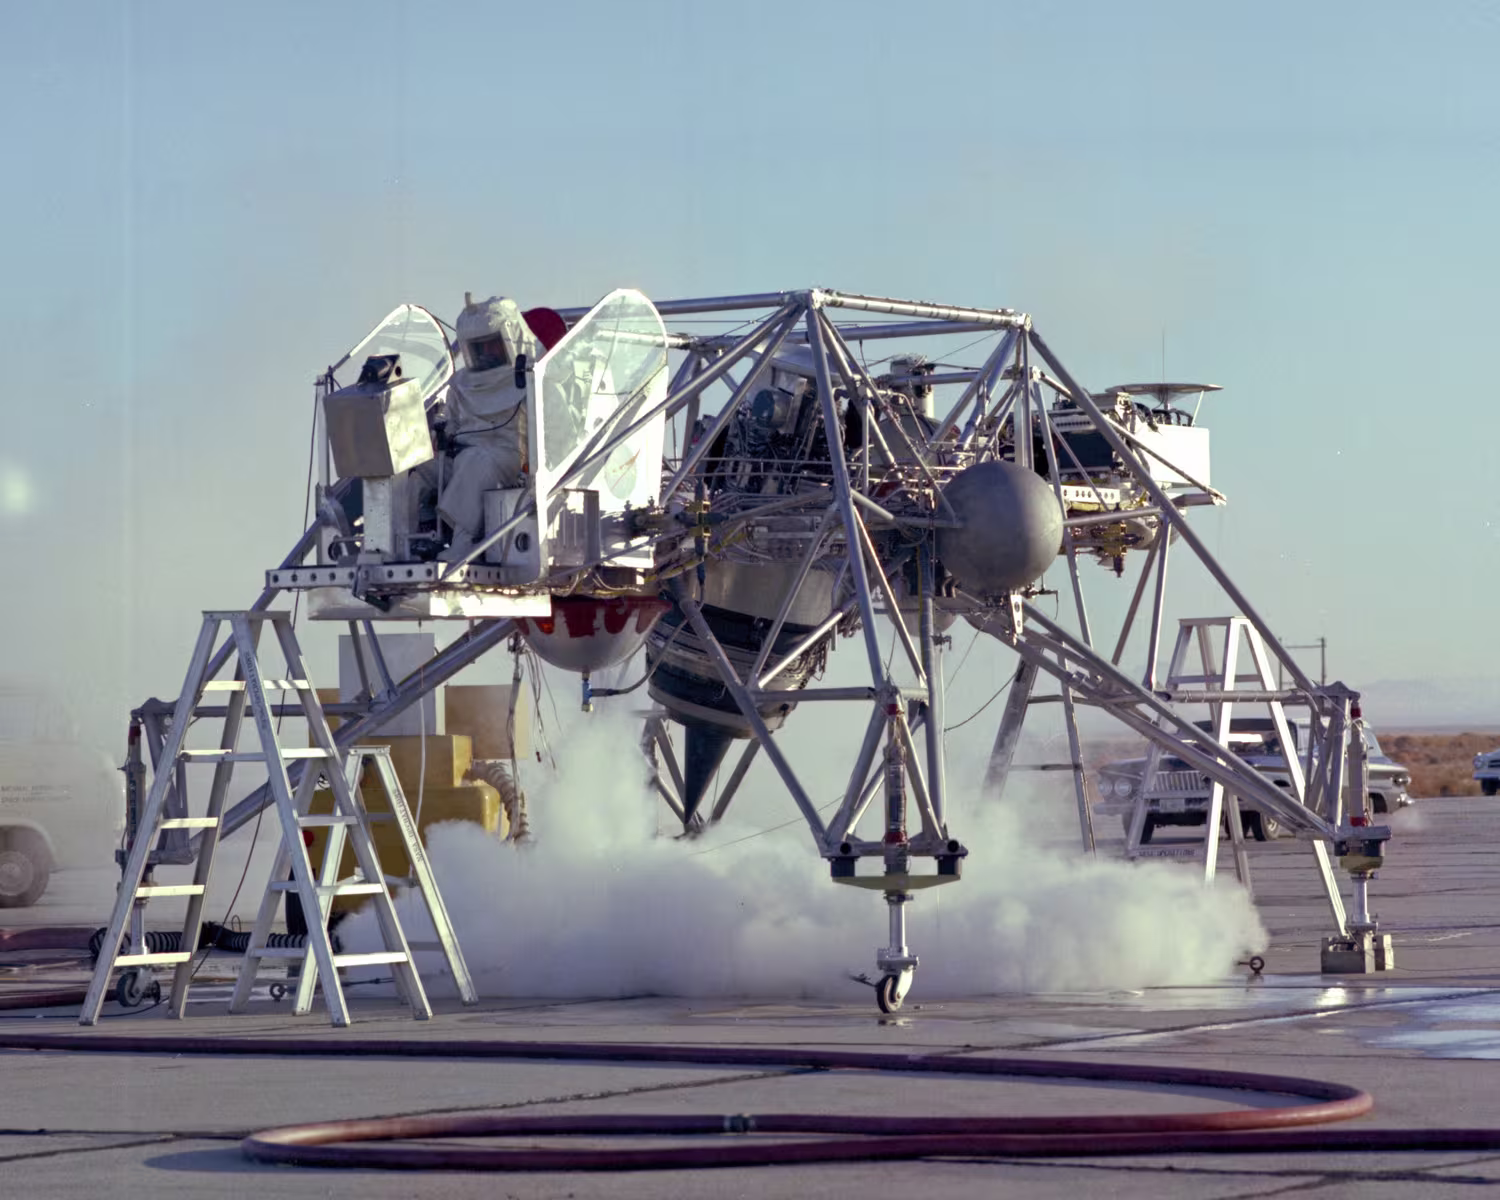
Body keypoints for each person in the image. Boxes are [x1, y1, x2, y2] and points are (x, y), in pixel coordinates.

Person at [437, 293, 539, 561]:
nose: (484, 353)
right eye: (477, 347)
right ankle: (399, 544)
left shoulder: (536, 376)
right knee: (416, 472)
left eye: (491, 345)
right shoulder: (461, 383)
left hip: (512, 454)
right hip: (464, 450)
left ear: (510, 337)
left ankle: (463, 541)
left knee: (477, 462)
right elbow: (452, 422)